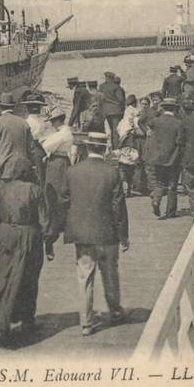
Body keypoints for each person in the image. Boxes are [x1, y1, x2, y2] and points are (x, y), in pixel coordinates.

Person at [62, 131, 130, 335]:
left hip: (82, 235)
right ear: (104, 148)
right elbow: (119, 207)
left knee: (84, 277)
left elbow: (64, 201)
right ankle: (115, 311)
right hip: (107, 234)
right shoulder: (112, 172)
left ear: (87, 147)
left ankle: (86, 323)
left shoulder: (73, 171)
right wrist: (123, 235)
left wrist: (71, 225)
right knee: (110, 274)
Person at [0, 157, 47, 336]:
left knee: (3, 277)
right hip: (28, 235)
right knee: (29, 279)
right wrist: (48, 242)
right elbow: (44, 221)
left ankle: (1, 321)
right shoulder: (35, 190)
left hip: (5, 235)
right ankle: (27, 320)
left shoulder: (1, 190)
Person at [144, 97, 185, 219]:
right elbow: (180, 142)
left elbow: (148, 125)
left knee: (160, 183)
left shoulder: (156, 121)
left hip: (158, 158)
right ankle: (170, 211)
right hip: (173, 158)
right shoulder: (179, 123)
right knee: (172, 186)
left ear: (163, 108)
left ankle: (156, 200)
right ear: (175, 109)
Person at [40, 106, 72, 261]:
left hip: (57, 163)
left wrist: (46, 139)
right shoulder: (65, 132)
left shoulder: (63, 133)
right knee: (61, 193)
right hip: (61, 161)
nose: (51, 124)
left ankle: (50, 232)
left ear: (58, 120)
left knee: (54, 194)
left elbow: (46, 146)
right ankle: (58, 225)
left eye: (52, 121)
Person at [116, 94, 147, 196]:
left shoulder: (122, 121)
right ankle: (129, 188)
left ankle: (125, 189)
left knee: (123, 167)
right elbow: (137, 125)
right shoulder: (134, 113)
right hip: (131, 142)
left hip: (123, 142)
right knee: (130, 167)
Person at [98, 72, 125, 150]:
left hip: (105, 111)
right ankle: (116, 149)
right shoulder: (117, 87)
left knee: (107, 131)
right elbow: (121, 100)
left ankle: (105, 148)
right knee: (115, 131)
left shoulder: (101, 86)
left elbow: (100, 99)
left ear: (106, 77)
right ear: (112, 78)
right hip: (116, 112)